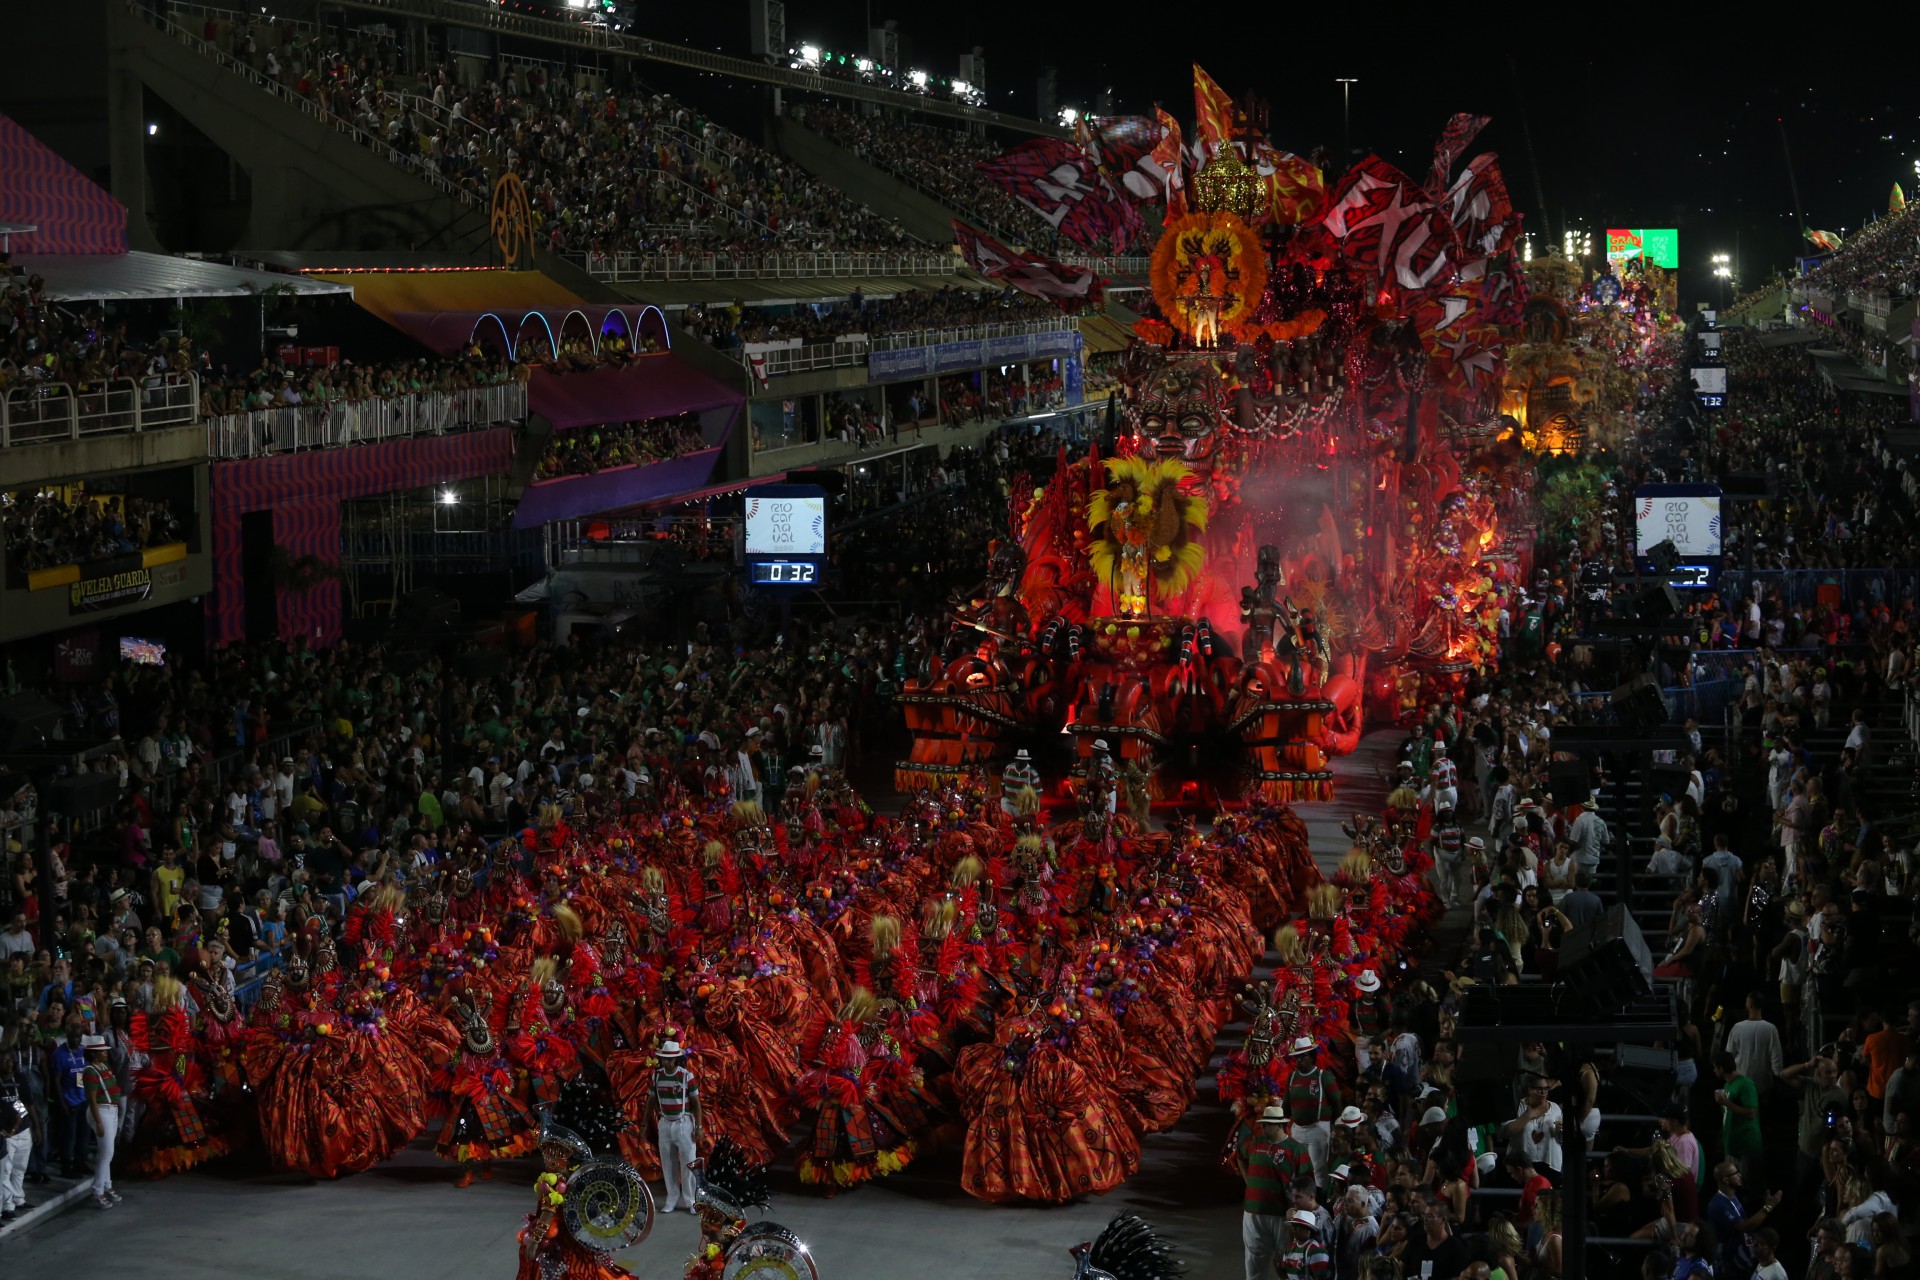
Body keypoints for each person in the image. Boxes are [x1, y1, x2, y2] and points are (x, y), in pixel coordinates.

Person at [1241, 1102, 1311, 1280]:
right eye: (1262, 1124)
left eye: (1266, 1124)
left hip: (1282, 1215)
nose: (1262, 1127)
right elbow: (1239, 1155)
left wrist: (1298, 1213)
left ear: (1280, 1125)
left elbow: (1307, 1183)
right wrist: (1249, 1181)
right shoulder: (1255, 1142)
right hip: (1253, 1213)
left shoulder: (1297, 1149)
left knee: (1286, 1259)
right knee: (1254, 1259)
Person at [646, 1039, 700, 1213]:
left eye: (670, 1059)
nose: (666, 1062)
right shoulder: (657, 1076)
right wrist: (644, 1123)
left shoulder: (686, 1076)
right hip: (665, 1124)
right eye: (664, 1059)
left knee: (688, 1163)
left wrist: (698, 1127)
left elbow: (696, 1104)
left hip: (684, 1124)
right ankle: (672, 1198)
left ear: (677, 1059)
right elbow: (651, 1100)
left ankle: (691, 1200)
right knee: (668, 1164)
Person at [1707, 1158, 1780, 1280]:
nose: (1740, 1175)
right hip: (1729, 1262)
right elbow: (1745, 1226)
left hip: (1740, 1257)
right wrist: (1768, 1207)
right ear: (1725, 1179)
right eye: (1735, 1173)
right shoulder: (1718, 1204)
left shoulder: (1732, 1196)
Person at [1285, 1037, 1340, 1179]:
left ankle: (1318, 1199)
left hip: (1318, 1128)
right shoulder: (1292, 1077)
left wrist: (1336, 1126)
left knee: (1318, 1168)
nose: (1298, 1061)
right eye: (1297, 1057)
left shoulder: (1323, 1076)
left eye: (1302, 1057)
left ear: (1311, 1057)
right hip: (1297, 1129)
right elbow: (1287, 1105)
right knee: (1297, 1167)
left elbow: (1337, 1102)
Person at [1716, 1050, 1765, 1193]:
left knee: (1750, 1187)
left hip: (1746, 1144)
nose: (1714, 1070)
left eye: (1715, 1067)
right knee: (1734, 1187)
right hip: (1732, 1144)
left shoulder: (1746, 1084)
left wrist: (1726, 1103)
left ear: (1721, 1068)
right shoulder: (1727, 1086)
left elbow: (1751, 1113)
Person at [82, 1033, 121, 1209]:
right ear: (93, 1054)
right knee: (106, 1153)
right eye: (102, 1051)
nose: (106, 1053)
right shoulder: (90, 1071)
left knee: (107, 1153)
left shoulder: (104, 1067)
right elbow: (91, 1098)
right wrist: (98, 1122)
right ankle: (97, 1191)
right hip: (101, 1112)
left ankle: (107, 1185)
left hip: (111, 1111)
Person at [1726, 989, 1785, 1097]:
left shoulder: (1737, 1028)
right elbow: (1777, 1063)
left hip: (1741, 1082)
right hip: (1763, 1085)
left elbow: (1729, 1056)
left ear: (1750, 1005)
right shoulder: (1771, 1029)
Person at [1503, 1075, 1563, 1178]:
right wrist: (1528, 1116)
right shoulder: (1518, 1106)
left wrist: (1560, 1131)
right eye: (1539, 1089)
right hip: (1522, 1166)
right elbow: (1506, 1132)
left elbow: (1560, 1139)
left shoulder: (1555, 1108)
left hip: (1549, 1165)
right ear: (1530, 1090)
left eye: (1546, 1089)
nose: (1543, 1093)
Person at [1277, 1207, 1331, 1280]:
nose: (1294, 1229)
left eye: (1297, 1226)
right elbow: (1285, 1275)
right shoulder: (1289, 1250)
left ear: (1308, 1230)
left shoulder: (1316, 1250)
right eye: (1293, 1226)